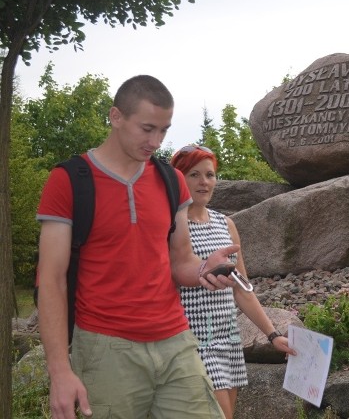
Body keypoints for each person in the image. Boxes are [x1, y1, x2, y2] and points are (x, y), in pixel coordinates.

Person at [36, 75, 240, 419]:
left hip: (175, 340)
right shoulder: (69, 181)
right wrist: (59, 371)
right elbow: (51, 280)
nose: (155, 141)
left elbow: (180, 261)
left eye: (163, 130)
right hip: (106, 348)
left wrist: (205, 268)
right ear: (116, 117)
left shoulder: (170, 180)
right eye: (147, 128)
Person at [170, 145, 296, 419]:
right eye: (194, 174)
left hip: (227, 339)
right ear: (178, 179)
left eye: (210, 174)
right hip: (193, 340)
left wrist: (272, 335)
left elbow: (243, 289)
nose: (204, 182)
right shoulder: (172, 226)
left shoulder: (225, 224)